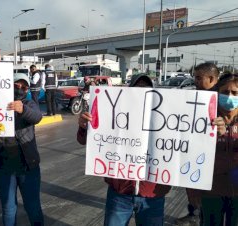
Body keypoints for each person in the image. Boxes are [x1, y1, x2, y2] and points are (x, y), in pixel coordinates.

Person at [77, 74, 171, 226]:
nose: (141, 94)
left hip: (152, 195)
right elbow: (83, 140)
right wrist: (83, 126)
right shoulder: (116, 115)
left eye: (146, 90)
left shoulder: (165, 119)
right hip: (119, 194)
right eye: (137, 89)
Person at [0, 73, 44, 226]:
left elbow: (37, 116)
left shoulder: (29, 104)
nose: (20, 89)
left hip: (27, 166)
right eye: (16, 85)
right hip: (2, 167)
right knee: (8, 208)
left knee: (33, 207)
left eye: (24, 87)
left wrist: (22, 109)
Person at [188, 73, 238, 225]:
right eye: (225, 92)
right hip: (211, 192)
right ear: (217, 93)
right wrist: (192, 192)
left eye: (235, 93)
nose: (229, 96)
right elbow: (191, 154)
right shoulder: (204, 118)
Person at [176, 62, 219, 226]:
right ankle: (194, 213)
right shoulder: (193, 96)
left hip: (214, 157)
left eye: (199, 78)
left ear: (212, 78)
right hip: (192, 151)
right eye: (195, 77)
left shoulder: (222, 98)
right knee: (192, 189)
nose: (195, 81)